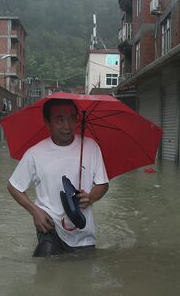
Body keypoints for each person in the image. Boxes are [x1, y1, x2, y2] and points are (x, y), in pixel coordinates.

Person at [7, 98, 109, 257]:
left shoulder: (90, 147)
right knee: (45, 262)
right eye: (60, 120)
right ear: (47, 123)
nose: (67, 126)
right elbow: (13, 186)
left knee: (81, 276)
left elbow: (103, 184)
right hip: (49, 225)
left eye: (71, 118)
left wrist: (90, 197)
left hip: (82, 230)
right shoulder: (35, 153)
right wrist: (35, 211)